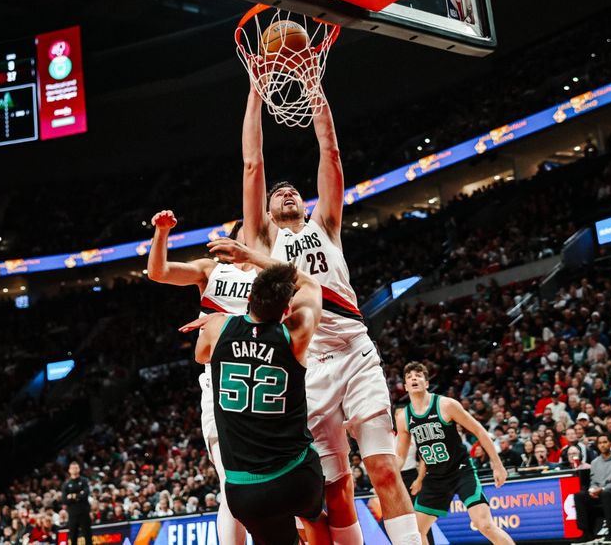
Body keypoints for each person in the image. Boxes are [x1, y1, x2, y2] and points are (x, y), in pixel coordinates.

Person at [241, 80, 420, 545]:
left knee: (383, 468)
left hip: (355, 351)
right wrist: (256, 92)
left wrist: (313, 85)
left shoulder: (325, 224)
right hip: (309, 366)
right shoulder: (263, 241)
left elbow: (331, 152)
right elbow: (253, 163)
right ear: (267, 210)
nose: (286, 194)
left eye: (292, 191)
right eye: (278, 194)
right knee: (335, 489)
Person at [186, 261, 330, 545]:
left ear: (249, 298)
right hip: (296, 475)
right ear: (287, 310)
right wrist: (252, 256)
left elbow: (201, 356)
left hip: (245, 489)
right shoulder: (295, 332)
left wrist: (221, 320)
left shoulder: (218, 327)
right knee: (315, 519)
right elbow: (312, 285)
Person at [148, 211, 256, 545]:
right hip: (222, 382)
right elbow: (158, 272)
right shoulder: (212, 270)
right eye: (249, 230)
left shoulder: (272, 273)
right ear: (233, 240)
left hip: (265, 379)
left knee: (277, 480)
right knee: (231, 482)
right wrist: (161, 233)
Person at [397, 362, 515, 545]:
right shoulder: (403, 418)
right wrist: (387, 478)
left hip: (460, 471)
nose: (414, 378)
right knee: (417, 532)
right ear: (405, 386)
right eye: (409, 376)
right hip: (435, 477)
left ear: (426, 383)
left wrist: (498, 465)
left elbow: (479, 431)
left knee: (485, 525)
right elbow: (400, 456)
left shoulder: (446, 405)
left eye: (418, 375)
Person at [572, 433, 611, 541]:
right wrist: (592, 490)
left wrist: (602, 489)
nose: (602, 445)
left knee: (606, 493)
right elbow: (593, 482)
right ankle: (586, 533)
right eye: (600, 443)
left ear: (610, 444)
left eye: (605, 442)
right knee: (579, 496)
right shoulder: (594, 462)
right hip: (597, 495)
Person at [62, 462, 93, 545]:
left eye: (76, 468)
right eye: (72, 468)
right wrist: (79, 495)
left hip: (84, 512)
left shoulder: (84, 481)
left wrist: (72, 496)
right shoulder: (66, 484)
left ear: (79, 469)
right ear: (69, 470)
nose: (74, 470)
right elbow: (64, 500)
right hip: (72, 514)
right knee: (73, 536)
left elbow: (85, 494)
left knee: (87, 535)